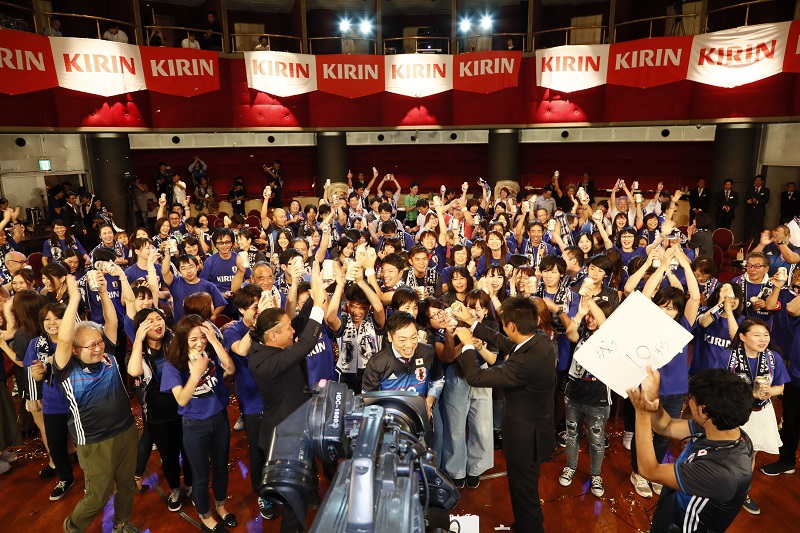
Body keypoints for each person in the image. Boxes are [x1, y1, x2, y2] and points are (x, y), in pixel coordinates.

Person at [452, 296, 556, 533]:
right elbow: (508, 344)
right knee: (524, 491)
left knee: (524, 493)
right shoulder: (539, 340)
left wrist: (468, 343)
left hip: (525, 439)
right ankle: (525, 525)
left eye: (504, 324)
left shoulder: (524, 364)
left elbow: (476, 377)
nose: (503, 328)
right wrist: (473, 323)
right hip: (537, 430)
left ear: (512, 327)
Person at [53, 276, 140, 533]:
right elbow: (65, 340)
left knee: (126, 484)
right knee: (97, 496)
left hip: (126, 430)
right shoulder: (66, 369)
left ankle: (122, 523)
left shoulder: (109, 357)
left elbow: (112, 322)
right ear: (76, 350)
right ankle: (73, 528)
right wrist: (74, 300)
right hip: (94, 441)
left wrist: (103, 292)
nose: (98, 347)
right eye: (91, 345)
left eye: (100, 342)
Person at [249, 263, 328, 533]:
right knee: (294, 503)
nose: (292, 331)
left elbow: (298, 323)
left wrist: (316, 293)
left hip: (295, 427)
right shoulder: (263, 362)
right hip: (284, 437)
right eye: (287, 330)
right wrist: (318, 305)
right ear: (273, 336)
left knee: (303, 487)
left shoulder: (270, 343)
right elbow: (305, 344)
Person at [627, 367, 754, 532]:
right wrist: (652, 397)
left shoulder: (721, 473)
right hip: (671, 514)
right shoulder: (723, 428)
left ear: (703, 409)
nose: (689, 402)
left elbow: (649, 470)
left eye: (691, 398)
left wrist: (642, 414)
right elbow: (666, 426)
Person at [161, 314, 236, 533]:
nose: (199, 342)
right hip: (195, 425)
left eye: (202, 337)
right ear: (182, 339)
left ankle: (221, 507)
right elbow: (182, 399)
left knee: (221, 467)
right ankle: (205, 516)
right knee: (201, 475)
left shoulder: (210, 354)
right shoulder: (173, 366)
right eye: (194, 339)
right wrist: (195, 374)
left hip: (220, 419)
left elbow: (230, 369)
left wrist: (214, 341)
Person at [127, 308, 192, 512]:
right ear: (140, 328)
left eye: (159, 318)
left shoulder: (174, 342)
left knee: (189, 450)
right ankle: (175, 489)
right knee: (169, 455)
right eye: (149, 321)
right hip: (157, 413)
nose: (157, 323)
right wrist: (138, 340)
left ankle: (190, 485)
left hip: (184, 406)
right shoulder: (137, 351)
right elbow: (135, 371)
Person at [727, 318, 789, 515]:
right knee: (725, 451)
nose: (763, 340)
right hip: (732, 412)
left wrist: (770, 390)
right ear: (743, 337)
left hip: (760, 412)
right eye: (756, 335)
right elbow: (717, 387)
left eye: (766, 335)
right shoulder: (728, 357)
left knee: (750, 454)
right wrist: (747, 393)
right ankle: (719, 488)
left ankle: (742, 492)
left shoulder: (773, 358)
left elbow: (781, 387)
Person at [743, 175, 770, 242]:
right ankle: (745, 243)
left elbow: (766, 200)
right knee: (747, 228)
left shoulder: (766, 190)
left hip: (760, 212)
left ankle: (759, 243)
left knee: (759, 228)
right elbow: (746, 198)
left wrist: (757, 202)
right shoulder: (750, 189)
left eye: (759, 180)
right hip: (750, 211)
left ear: (762, 182)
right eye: (756, 180)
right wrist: (748, 201)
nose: (757, 182)